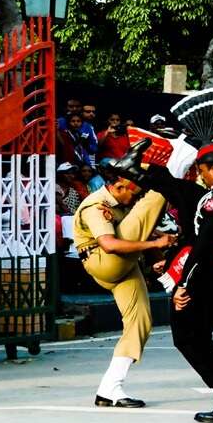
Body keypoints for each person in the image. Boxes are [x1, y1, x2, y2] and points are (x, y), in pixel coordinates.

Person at [134, 142, 213, 423]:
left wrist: (184, 285)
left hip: (208, 277)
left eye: (202, 171)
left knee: (189, 337)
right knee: (197, 337)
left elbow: (204, 245)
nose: (200, 176)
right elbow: (186, 195)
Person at [73, 140, 178, 408]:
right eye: (132, 191)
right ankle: (175, 164)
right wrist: (155, 245)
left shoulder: (122, 203)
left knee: (140, 322)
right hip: (104, 260)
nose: (135, 197)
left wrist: (157, 254)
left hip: (125, 267)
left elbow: (135, 229)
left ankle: (110, 388)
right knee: (157, 194)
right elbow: (110, 243)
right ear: (118, 186)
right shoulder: (95, 205)